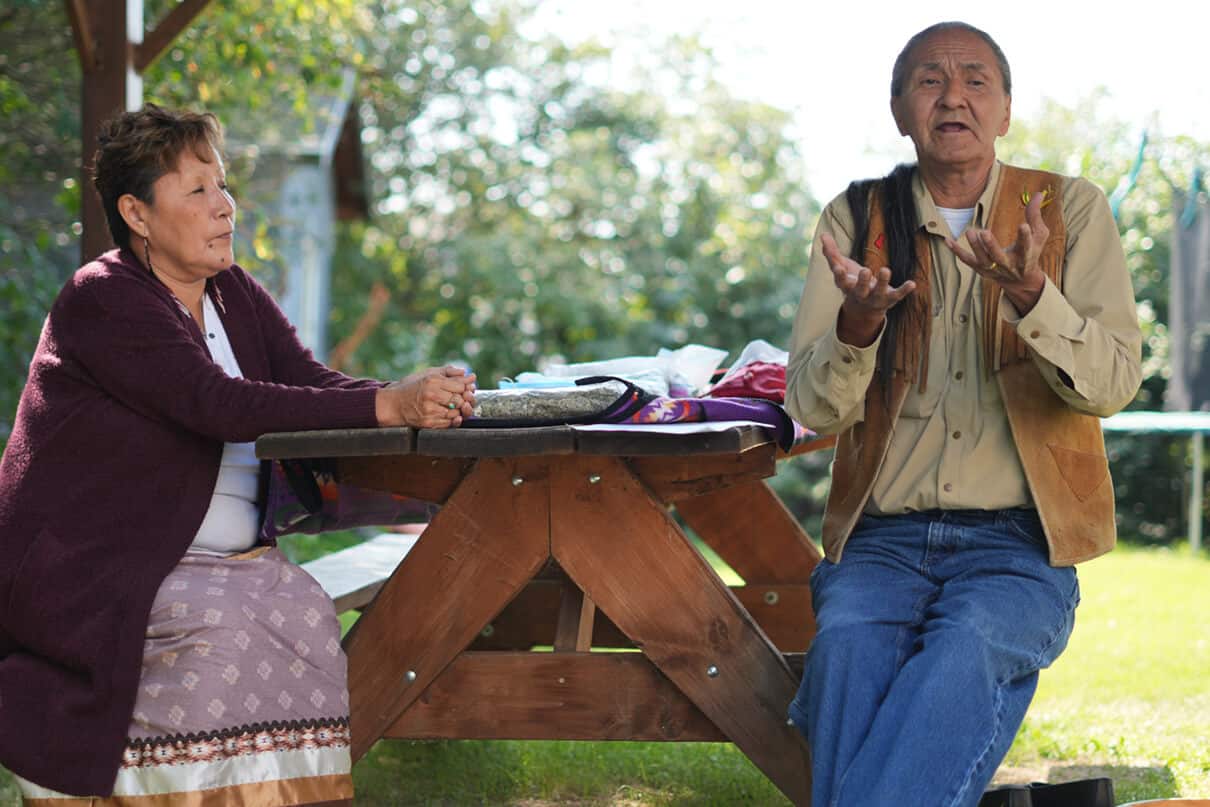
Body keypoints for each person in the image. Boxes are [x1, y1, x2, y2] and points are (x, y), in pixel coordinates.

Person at [0, 104, 477, 805]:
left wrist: (422, 403)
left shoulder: (233, 292)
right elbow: (215, 403)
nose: (225, 206)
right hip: (99, 560)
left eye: (221, 185)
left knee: (304, 608)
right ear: (136, 212)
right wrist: (388, 404)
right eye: (196, 190)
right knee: (222, 626)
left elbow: (313, 385)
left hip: (219, 558)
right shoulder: (103, 297)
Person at [784, 21, 1141, 807]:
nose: (954, 96)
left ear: (1005, 109)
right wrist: (857, 328)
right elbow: (811, 407)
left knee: (966, 647)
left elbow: (1114, 384)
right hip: (879, 542)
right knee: (842, 651)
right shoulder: (854, 220)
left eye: (977, 80)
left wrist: (1031, 297)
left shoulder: (1069, 210)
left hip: (1019, 546)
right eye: (930, 80)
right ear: (899, 109)